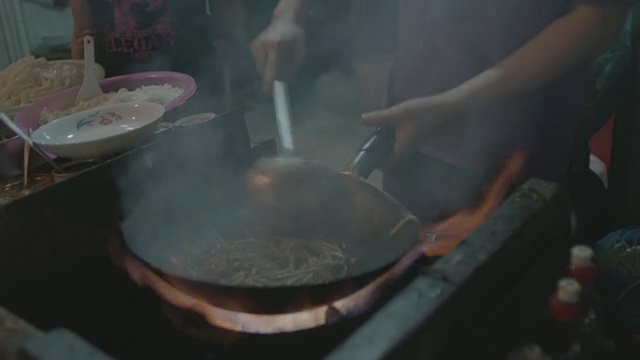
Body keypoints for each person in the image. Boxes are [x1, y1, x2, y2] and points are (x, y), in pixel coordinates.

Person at [251, 0, 631, 222]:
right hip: (417, 110)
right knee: (408, 245)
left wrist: (452, 103)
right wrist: (289, 14)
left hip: (514, 127)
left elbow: (597, 18)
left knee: (496, 275)